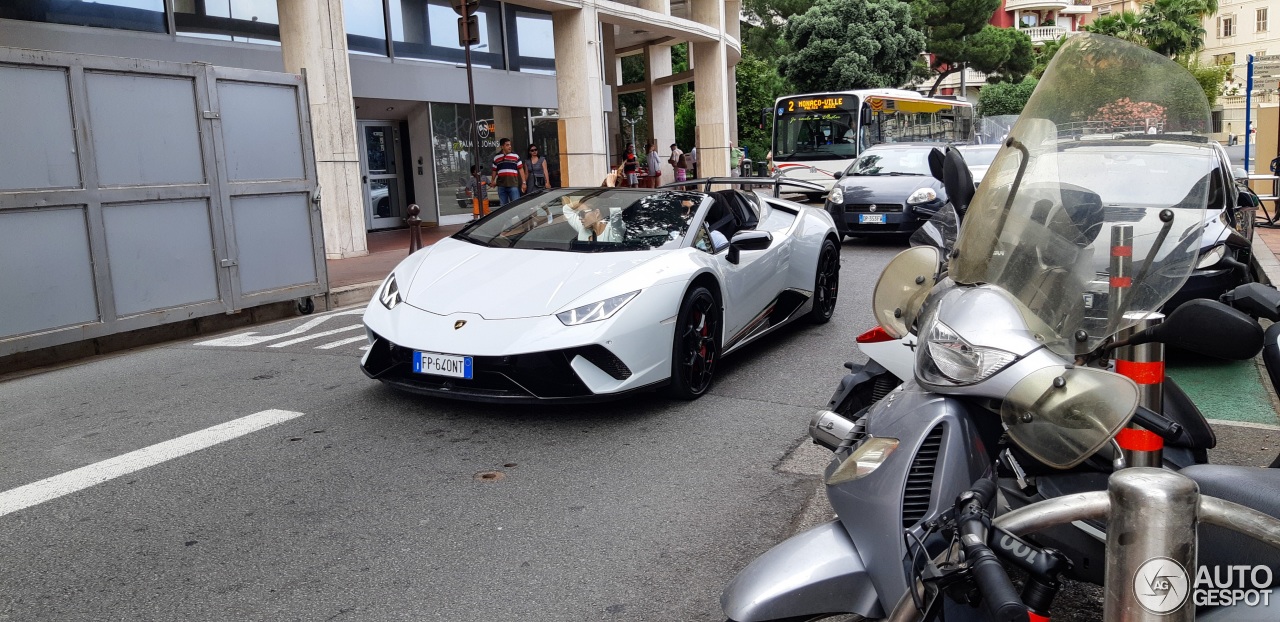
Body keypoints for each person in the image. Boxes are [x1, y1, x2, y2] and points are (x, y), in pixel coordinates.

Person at [492, 138, 526, 206]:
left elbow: (521, 169)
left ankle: (517, 217)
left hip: (513, 185)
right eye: (507, 145)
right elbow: (494, 170)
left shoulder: (515, 156)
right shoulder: (496, 157)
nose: (510, 146)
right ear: (502, 147)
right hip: (501, 186)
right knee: (503, 206)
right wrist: (492, 180)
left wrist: (524, 182)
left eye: (510, 145)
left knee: (516, 205)